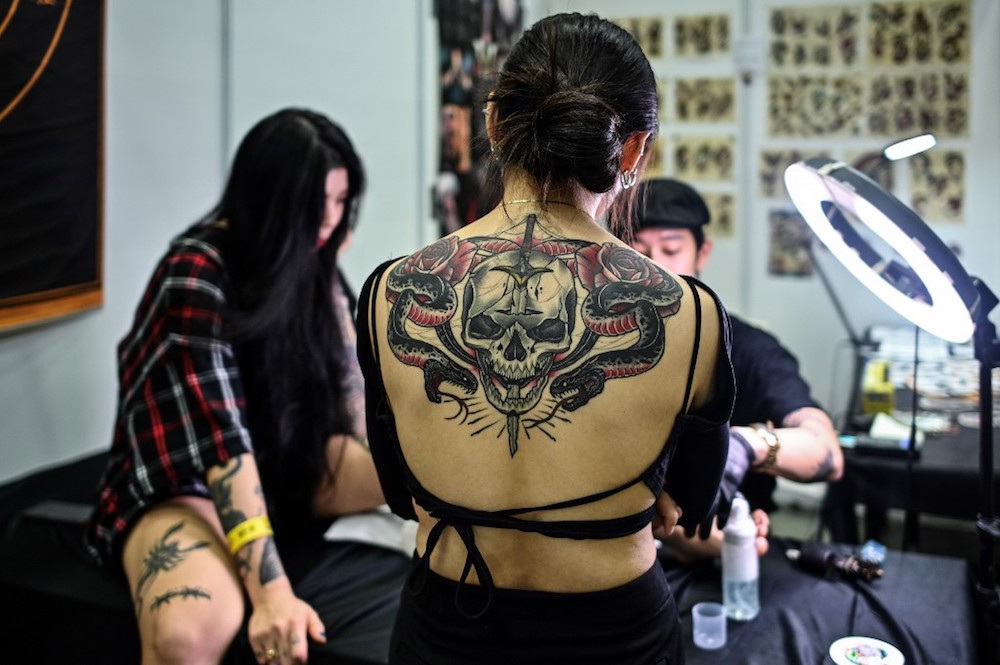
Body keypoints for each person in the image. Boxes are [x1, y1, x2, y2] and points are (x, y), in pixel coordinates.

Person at [357, 13, 736, 664]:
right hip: (615, 638)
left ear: (492, 123)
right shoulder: (692, 313)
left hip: (444, 633)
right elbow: (689, 508)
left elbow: (401, 495)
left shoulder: (388, 291)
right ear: (633, 150)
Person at [86, 108, 388, 665]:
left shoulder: (312, 258)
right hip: (189, 484)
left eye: (342, 201)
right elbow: (222, 446)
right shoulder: (195, 270)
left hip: (286, 468)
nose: (331, 219)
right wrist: (272, 593)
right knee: (189, 631)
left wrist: (327, 278)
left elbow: (355, 403)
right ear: (271, 203)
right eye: (316, 204)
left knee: (415, 472)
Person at [629, 177, 844, 562]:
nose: (653, 267)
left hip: (732, 551)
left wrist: (746, 445)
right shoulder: (599, 351)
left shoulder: (750, 351)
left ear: (702, 252)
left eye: (671, 249)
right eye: (636, 251)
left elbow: (825, 451)